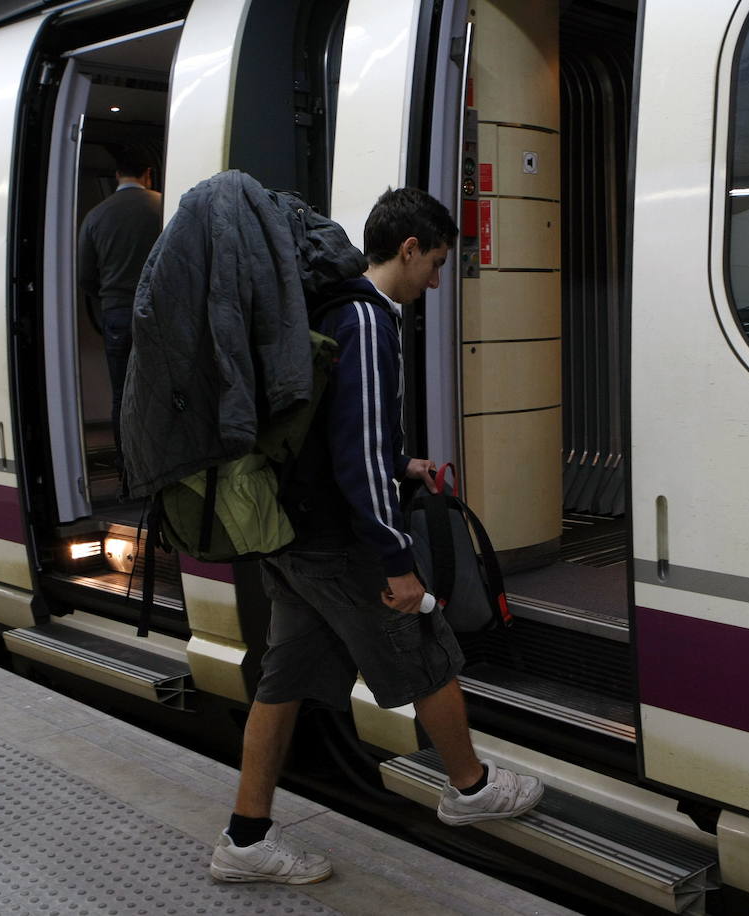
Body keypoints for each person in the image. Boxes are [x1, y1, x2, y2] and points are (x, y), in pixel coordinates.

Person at [209, 188, 543, 885]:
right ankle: (471, 789)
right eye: (437, 263)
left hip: (294, 537)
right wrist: (396, 559)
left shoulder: (328, 309)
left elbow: (336, 432)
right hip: (341, 544)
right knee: (426, 647)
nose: (437, 281)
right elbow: (356, 453)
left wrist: (402, 463)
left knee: (282, 680)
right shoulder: (364, 318)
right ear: (409, 248)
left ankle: (244, 838)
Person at [77, 147, 163, 480]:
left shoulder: (96, 216)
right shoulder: (163, 207)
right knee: (161, 387)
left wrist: (109, 296)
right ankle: (163, 462)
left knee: (122, 392)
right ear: (148, 174)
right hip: (158, 310)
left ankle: (127, 466)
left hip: (117, 313)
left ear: (117, 175)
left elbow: (85, 275)